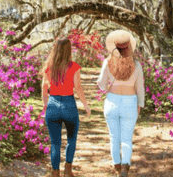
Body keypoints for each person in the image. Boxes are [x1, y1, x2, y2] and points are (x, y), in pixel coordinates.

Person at [97, 30, 145, 177]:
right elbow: (140, 88)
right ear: (129, 47)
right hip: (130, 101)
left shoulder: (108, 62)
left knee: (114, 136)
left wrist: (107, 87)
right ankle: (125, 167)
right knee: (126, 137)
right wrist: (140, 104)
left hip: (112, 100)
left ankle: (117, 166)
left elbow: (101, 83)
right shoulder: (136, 64)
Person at [41, 38, 91, 177]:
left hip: (53, 103)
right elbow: (78, 87)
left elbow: (44, 88)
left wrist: (45, 104)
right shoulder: (74, 66)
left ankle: (55, 173)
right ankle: (68, 170)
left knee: (55, 142)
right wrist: (85, 105)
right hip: (69, 104)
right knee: (71, 139)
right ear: (68, 50)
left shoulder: (48, 67)